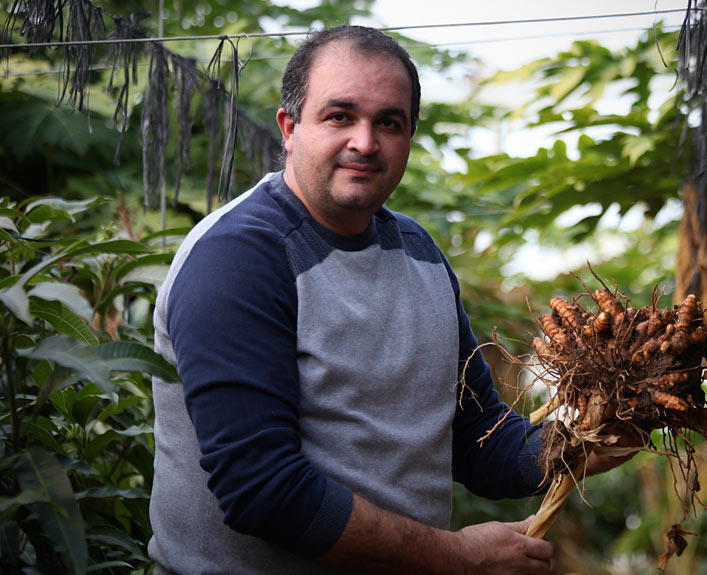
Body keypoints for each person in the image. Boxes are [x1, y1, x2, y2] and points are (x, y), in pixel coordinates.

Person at [148, 25, 629, 574]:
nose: (365, 142)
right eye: (339, 116)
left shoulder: (419, 253)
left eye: (389, 123)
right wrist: (459, 557)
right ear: (289, 126)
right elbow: (262, 489)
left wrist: (586, 441)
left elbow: (476, 439)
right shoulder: (240, 258)